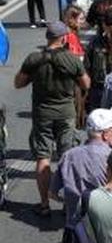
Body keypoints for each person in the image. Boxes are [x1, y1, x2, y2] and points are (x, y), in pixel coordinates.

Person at [14, 22, 90, 217]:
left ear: (47, 38)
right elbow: (85, 83)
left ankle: (44, 204)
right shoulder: (71, 59)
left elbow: (18, 83)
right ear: (64, 38)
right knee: (67, 157)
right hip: (66, 113)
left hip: (42, 114)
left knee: (43, 158)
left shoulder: (34, 59)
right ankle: (69, 203)